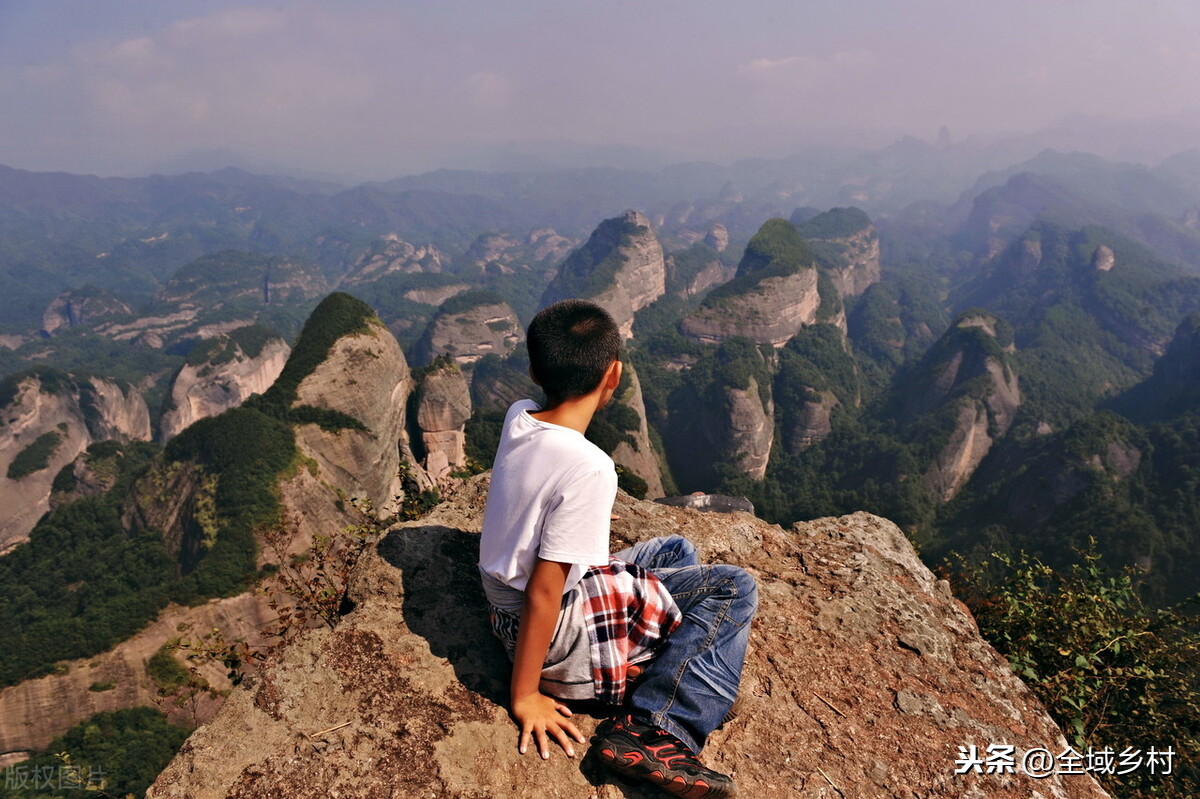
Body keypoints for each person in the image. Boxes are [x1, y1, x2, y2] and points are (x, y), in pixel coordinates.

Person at [478, 298, 758, 798]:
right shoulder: (588, 467)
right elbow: (545, 591)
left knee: (674, 549)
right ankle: (658, 728)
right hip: (547, 631)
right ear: (614, 376)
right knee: (733, 587)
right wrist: (524, 695)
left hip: (516, 606)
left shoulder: (520, 415)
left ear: (534, 369)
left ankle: (660, 667)